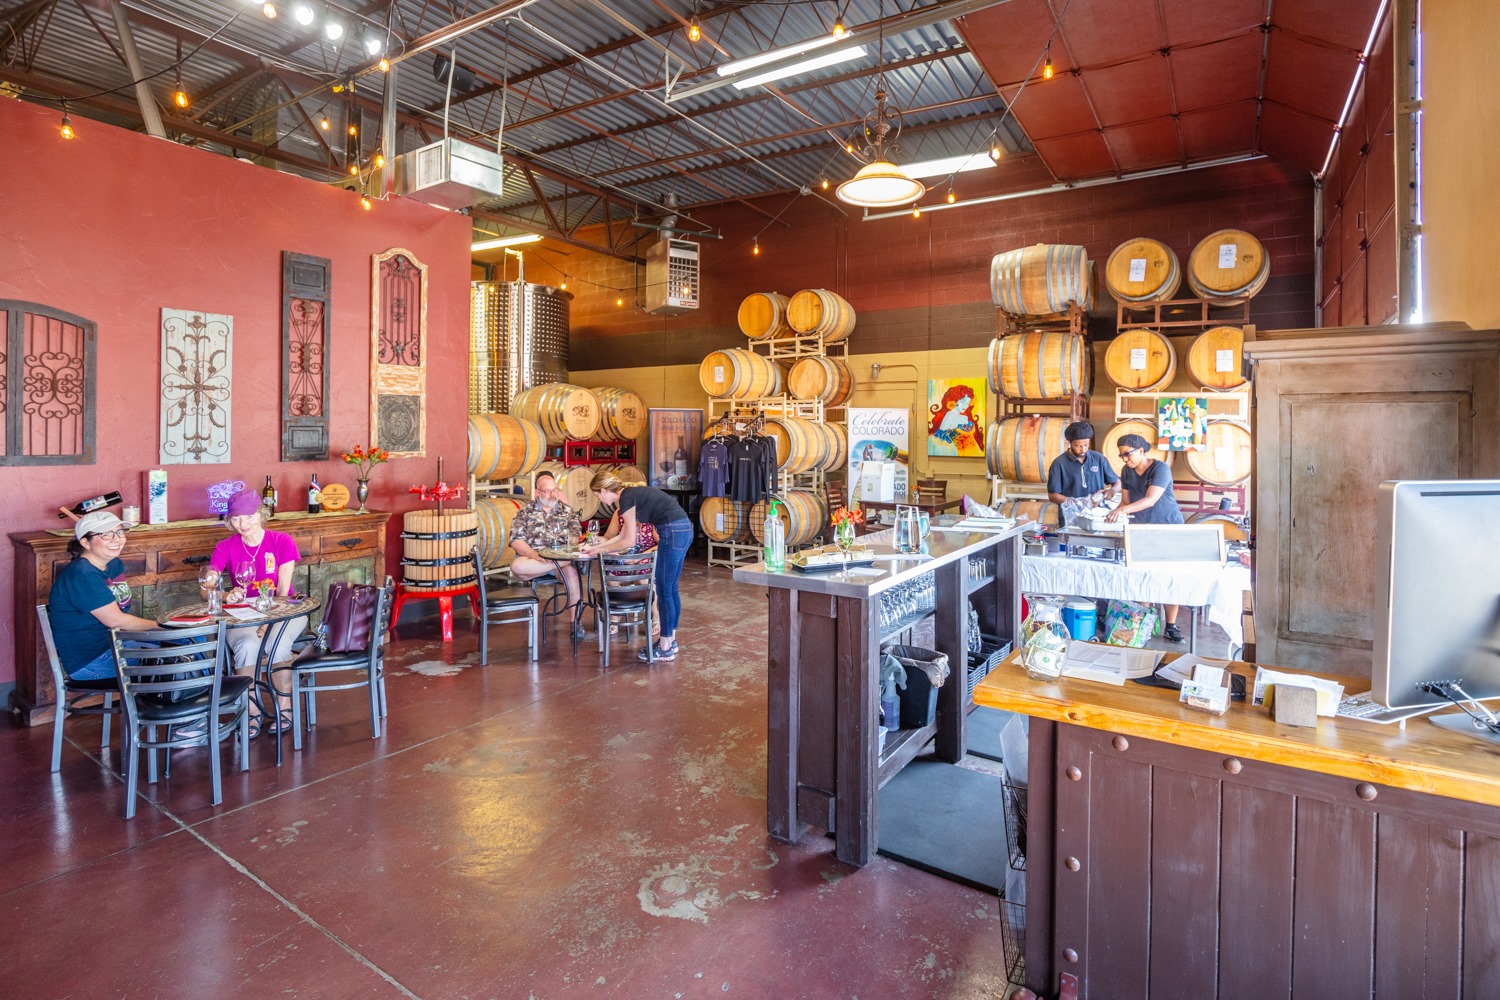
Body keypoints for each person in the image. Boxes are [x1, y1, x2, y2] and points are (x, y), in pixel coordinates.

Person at [204, 488, 306, 735]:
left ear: (261, 514)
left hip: (284, 610)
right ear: (229, 521)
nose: (243, 524)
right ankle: (251, 711)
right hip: (242, 613)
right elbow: (206, 587)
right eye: (236, 519)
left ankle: (285, 707)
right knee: (247, 646)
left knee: (277, 644)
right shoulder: (225, 546)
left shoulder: (282, 541)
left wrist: (267, 621)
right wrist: (225, 594)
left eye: (249, 516)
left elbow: (283, 592)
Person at [580, 470, 693, 662]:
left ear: (605, 490)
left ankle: (665, 647)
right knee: (671, 589)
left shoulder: (626, 498)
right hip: (683, 529)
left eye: (597, 495)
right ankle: (670, 641)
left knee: (665, 591)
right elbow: (622, 535)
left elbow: (629, 542)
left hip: (671, 532)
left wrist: (602, 552)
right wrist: (597, 547)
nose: (599, 499)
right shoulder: (630, 496)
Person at [48, 511, 163, 680]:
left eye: (119, 532)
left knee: (189, 641)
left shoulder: (113, 564)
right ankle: (159, 704)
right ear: (85, 542)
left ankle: (196, 701)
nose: (116, 539)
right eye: (106, 535)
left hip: (117, 643)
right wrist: (164, 626)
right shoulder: (82, 575)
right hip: (90, 660)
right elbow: (117, 620)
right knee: (175, 658)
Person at [1107, 433, 1187, 643]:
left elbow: (1151, 499)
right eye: (1121, 455)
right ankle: (1145, 621)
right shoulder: (1127, 470)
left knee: (1170, 578)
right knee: (1143, 577)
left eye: (1128, 454)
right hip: (1140, 529)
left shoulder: (1160, 468)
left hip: (1167, 527)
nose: (1125, 459)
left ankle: (1171, 625)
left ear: (1141, 451)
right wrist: (1107, 514)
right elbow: (1124, 501)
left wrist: (1121, 512)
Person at [507, 471, 586, 641]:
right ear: (537, 493)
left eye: (555, 490)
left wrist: (560, 555)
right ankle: (557, 564)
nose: (552, 495)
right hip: (534, 561)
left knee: (572, 576)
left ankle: (575, 622)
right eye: (547, 491)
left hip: (560, 558)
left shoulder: (567, 511)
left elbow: (574, 538)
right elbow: (516, 541)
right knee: (516, 566)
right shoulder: (525, 511)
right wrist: (535, 555)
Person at [1045, 420, 1120, 505]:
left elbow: (1117, 482)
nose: (1083, 450)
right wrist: (1079, 503)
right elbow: (1052, 496)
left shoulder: (1099, 458)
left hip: (1096, 513)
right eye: (1078, 446)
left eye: (1086, 445)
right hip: (1071, 515)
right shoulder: (1059, 464)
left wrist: (1112, 491)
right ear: (1070, 443)